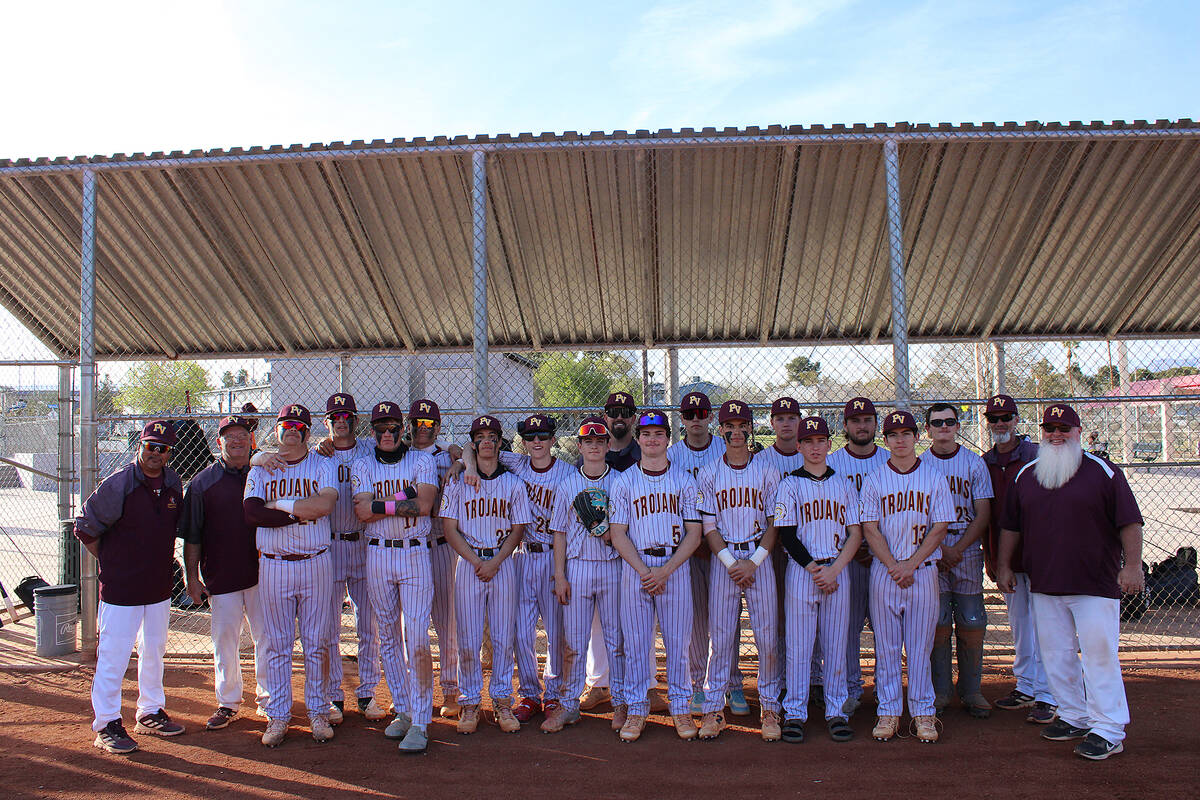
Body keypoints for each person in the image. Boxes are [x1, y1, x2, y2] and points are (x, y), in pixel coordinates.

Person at [996, 404, 1144, 761]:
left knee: (1099, 655)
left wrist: (1134, 566)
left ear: (1078, 432)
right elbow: (1011, 527)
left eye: (1064, 428)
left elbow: (1130, 523)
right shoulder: (1028, 475)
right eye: (1050, 429)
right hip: (1045, 583)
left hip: (1094, 584)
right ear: (1042, 433)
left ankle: (1109, 728)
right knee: (1057, 655)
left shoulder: (1103, 472)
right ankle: (1074, 716)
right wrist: (1003, 565)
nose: (1056, 434)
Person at [75, 421, 186, 754]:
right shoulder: (120, 483)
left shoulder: (172, 482)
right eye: (150, 446)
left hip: (158, 586)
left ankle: (149, 711)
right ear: (140, 446)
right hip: (122, 588)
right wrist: (111, 561)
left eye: (162, 448)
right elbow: (86, 528)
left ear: (169, 453)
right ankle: (106, 721)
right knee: (114, 654)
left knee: (154, 650)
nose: (155, 453)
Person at [243, 404, 339, 747]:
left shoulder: (322, 464)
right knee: (278, 643)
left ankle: (317, 710)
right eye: (287, 424)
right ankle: (279, 714)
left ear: (308, 432)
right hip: (274, 563)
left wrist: (280, 505)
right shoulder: (261, 468)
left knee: (316, 642)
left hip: (316, 561)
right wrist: (301, 510)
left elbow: (324, 507)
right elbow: (253, 513)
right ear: (276, 430)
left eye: (300, 425)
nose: (293, 430)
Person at [607, 410, 704, 742]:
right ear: (639, 438)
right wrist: (646, 571)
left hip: (673, 567)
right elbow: (618, 533)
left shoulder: (684, 481)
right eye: (646, 434)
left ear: (667, 439)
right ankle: (636, 709)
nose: (651, 439)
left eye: (658, 434)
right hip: (637, 569)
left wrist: (665, 570)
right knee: (636, 645)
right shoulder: (623, 482)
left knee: (678, 645)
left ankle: (680, 707)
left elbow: (694, 533)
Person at [859, 410, 955, 743]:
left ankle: (923, 713)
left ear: (917, 437)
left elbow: (940, 527)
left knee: (919, 648)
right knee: (885, 648)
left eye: (906, 434)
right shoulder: (874, 479)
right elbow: (870, 529)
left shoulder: (933, 478)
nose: (900, 441)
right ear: (885, 441)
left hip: (922, 572)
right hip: (886, 572)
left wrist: (910, 564)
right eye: (893, 435)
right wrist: (894, 565)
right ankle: (888, 711)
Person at [351, 401, 439, 753]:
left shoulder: (422, 460)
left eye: (393, 428)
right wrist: (403, 495)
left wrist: (379, 503)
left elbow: (425, 506)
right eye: (380, 429)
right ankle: (402, 709)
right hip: (377, 553)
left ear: (403, 429)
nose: (387, 434)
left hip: (415, 550)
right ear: (371, 432)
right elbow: (361, 512)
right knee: (386, 633)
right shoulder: (362, 463)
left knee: (416, 635)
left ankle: (420, 720)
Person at [438, 415, 534, 735]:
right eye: (481, 436)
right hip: (469, 563)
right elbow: (449, 529)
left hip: (503, 561)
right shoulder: (458, 481)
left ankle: (502, 700)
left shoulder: (513, 483)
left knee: (504, 637)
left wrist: (495, 561)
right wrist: (477, 561)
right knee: (468, 638)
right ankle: (469, 702)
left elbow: (519, 528)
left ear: (499, 442)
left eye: (493, 435)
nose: (487, 441)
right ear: (474, 443)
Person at [694, 400, 783, 741]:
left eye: (741, 424)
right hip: (725, 561)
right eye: (728, 426)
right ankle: (714, 708)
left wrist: (754, 561)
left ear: (750, 428)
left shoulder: (767, 471)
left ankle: (770, 707)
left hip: (758, 558)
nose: (735, 431)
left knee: (767, 638)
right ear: (720, 430)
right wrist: (733, 564)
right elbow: (708, 526)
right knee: (721, 638)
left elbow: (775, 522)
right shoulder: (709, 473)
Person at [775, 416, 862, 743]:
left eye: (820, 441)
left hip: (836, 572)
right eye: (808, 441)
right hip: (802, 572)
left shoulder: (843, 483)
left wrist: (835, 569)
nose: (814, 447)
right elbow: (786, 534)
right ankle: (795, 712)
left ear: (829, 444)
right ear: (798, 446)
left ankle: (836, 710)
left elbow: (856, 533)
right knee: (798, 646)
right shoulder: (789, 484)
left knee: (836, 645)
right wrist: (816, 570)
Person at [181, 414, 266, 731]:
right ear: (219, 443)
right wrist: (192, 578)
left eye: (242, 435)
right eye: (230, 436)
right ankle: (228, 702)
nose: (237, 441)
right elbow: (193, 536)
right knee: (225, 641)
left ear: (250, 440)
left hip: (262, 574)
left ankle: (269, 700)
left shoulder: (263, 474)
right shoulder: (203, 483)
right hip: (222, 576)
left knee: (266, 638)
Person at [491, 414, 574, 724]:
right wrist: (469, 465)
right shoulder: (517, 464)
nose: (537, 442)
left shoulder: (567, 472)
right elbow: (473, 450)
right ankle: (529, 693)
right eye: (529, 437)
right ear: (522, 442)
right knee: (521, 632)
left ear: (554, 439)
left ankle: (553, 694)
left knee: (555, 631)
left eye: (543, 436)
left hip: (555, 556)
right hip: (523, 555)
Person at [546, 418, 627, 733]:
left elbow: (625, 529)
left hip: (612, 564)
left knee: (615, 640)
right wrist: (559, 575)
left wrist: (607, 533)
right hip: (578, 566)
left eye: (599, 441)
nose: (594, 446)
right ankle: (569, 704)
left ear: (608, 446)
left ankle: (620, 702)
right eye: (587, 442)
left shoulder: (620, 481)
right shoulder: (567, 484)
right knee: (574, 642)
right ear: (579, 447)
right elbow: (560, 534)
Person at [981, 394, 1056, 724]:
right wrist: (991, 556)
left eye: (1006, 417)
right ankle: (1027, 686)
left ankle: (1050, 693)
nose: (1000, 423)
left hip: (1041, 554)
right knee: (1020, 623)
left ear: (1016, 419)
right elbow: (986, 516)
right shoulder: (985, 462)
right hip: (1006, 555)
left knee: (1047, 625)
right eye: (994, 418)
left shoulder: (1037, 456)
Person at [667, 391, 740, 716]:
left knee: (728, 621)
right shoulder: (673, 455)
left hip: (723, 547)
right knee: (696, 621)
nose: (696, 419)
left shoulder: (725, 450)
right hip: (689, 551)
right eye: (690, 414)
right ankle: (698, 684)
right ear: (682, 419)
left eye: (702, 413)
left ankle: (733, 683)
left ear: (711, 417)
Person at [922, 403, 993, 719]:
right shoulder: (920, 464)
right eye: (937, 423)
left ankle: (972, 690)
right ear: (928, 430)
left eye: (950, 421)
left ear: (958, 426)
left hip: (966, 547)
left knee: (972, 621)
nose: (944, 427)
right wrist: (938, 550)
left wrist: (959, 548)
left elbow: (983, 513)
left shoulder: (973, 464)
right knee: (936, 623)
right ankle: (940, 692)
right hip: (930, 552)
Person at [319, 393, 384, 723]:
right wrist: (318, 443)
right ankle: (332, 695)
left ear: (355, 421)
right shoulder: (319, 455)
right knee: (329, 626)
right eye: (334, 416)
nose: (341, 420)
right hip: (329, 545)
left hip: (363, 543)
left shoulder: (370, 451)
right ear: (326, 422)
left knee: (367, 623)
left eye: (346, 415)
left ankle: (368, 691)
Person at [826, 396, 889, 716]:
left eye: (867, 420)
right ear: (845, 425)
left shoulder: (891, 461)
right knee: (845, 629)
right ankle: (850, 689)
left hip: (885, 558)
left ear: (876, 424)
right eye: (855, 420)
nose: (862, 425)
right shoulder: (833, 463)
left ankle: (884, 690)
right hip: (845, 559)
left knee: (886, 627)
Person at [407, 399, 462, 717]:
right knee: (411, 625)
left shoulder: (447, 457)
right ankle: (414, 691)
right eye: (417, 423)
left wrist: (460, 453)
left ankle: (451, 690)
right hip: (410, 547)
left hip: (441, 544)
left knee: (446, 623)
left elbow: (475, 454)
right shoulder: (398, 457)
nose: (422, 428)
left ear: (438, 428)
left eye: (428, 424)